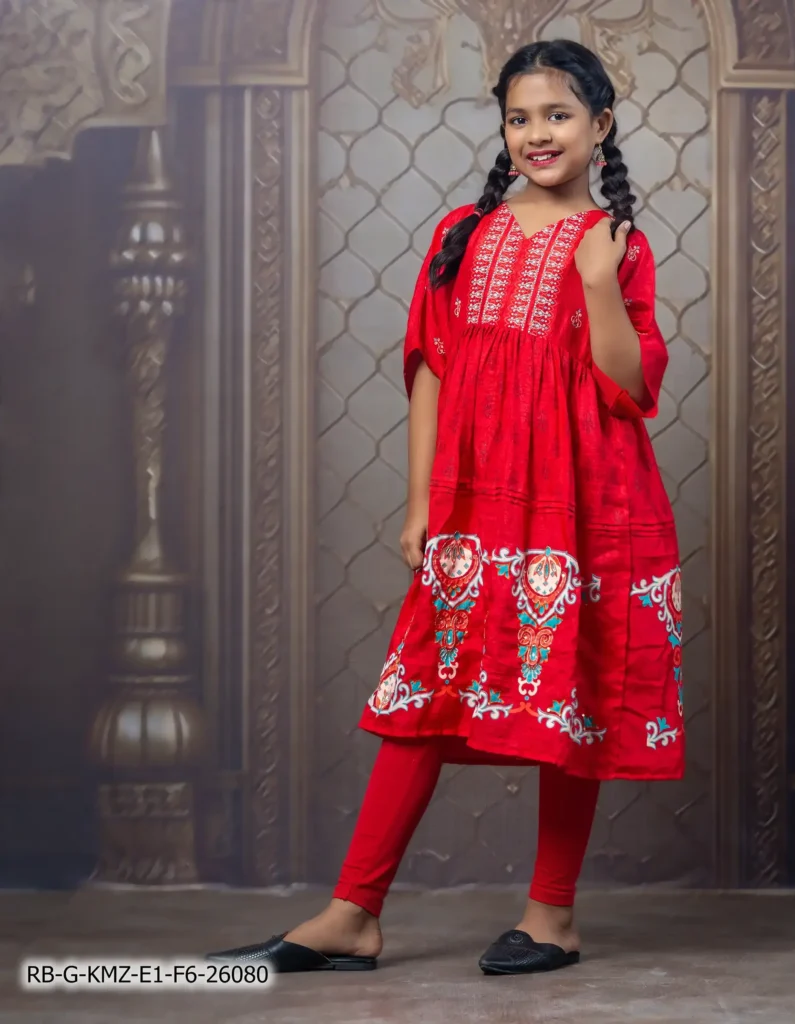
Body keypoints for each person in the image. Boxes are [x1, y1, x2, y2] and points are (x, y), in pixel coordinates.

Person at [206, 37, 684, 977]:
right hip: (476, 499)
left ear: (600, 126)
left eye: (558, 115)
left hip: (587, 502)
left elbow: (631, 387)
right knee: (420, 694)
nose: (537, 133)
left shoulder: (618, 246)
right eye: (519, 117)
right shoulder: (462, 234)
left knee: (574, 695)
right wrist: (421, 498)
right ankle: (353, 912)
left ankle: (551, 916)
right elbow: (431, 367)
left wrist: (598, 283)